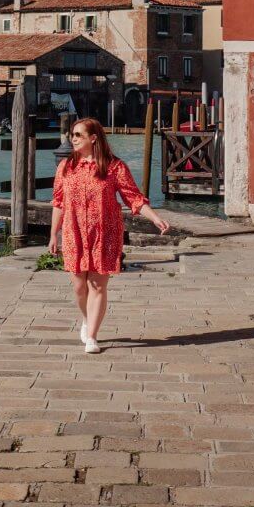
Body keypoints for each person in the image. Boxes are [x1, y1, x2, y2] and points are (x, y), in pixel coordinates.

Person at [48, 117, 169, 354]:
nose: (73, 139)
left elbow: (133, 197)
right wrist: (53, 234)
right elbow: (58, 202)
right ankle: (86, 319)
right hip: (73, 231)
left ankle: (92, 336)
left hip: (105, 232)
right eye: (72, 135)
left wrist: (155, 218)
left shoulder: (114, 167)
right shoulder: (66, 167)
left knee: (97, 285)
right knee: (79, 287)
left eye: (78, 135)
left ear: (93, 138)